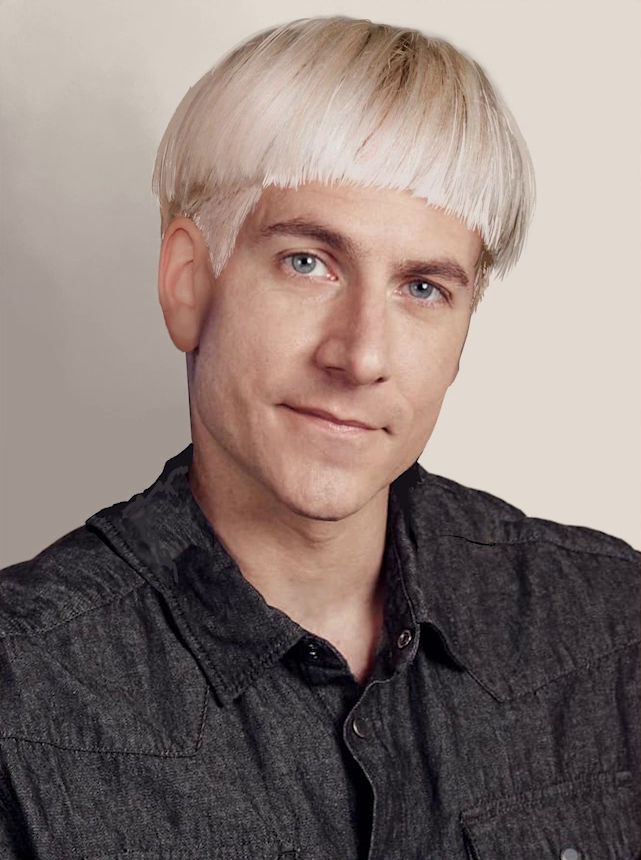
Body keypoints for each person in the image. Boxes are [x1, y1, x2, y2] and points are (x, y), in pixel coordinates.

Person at [0, 14, 638, 860]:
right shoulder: (23, 693)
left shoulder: (608, 626)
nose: (360, 354)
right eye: (308, 261)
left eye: (422, 286)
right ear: (189, 284)